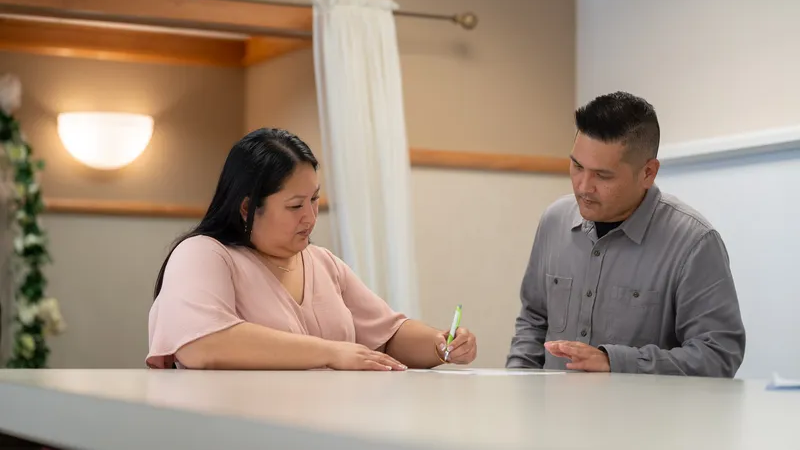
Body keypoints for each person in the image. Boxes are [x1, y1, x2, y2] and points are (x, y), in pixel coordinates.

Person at [147, 128, 477, 370]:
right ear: (247, 208)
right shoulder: (203, 254)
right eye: (295, 206)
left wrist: (441, 344)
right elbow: (202, 344)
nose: (310, 216)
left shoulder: (322, 262)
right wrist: (331, 352)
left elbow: (387, 336)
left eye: (315, 199)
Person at [506, 92, 745, 377]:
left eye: (602, 176)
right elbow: (533, 322)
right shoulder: (554, 221)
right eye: (577, 166)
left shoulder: (694, 243)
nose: (583, 186)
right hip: (553, 415)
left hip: (644, 420)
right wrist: (516, 386)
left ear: (647, 173)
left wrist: (615, 362)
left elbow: (718, 355)